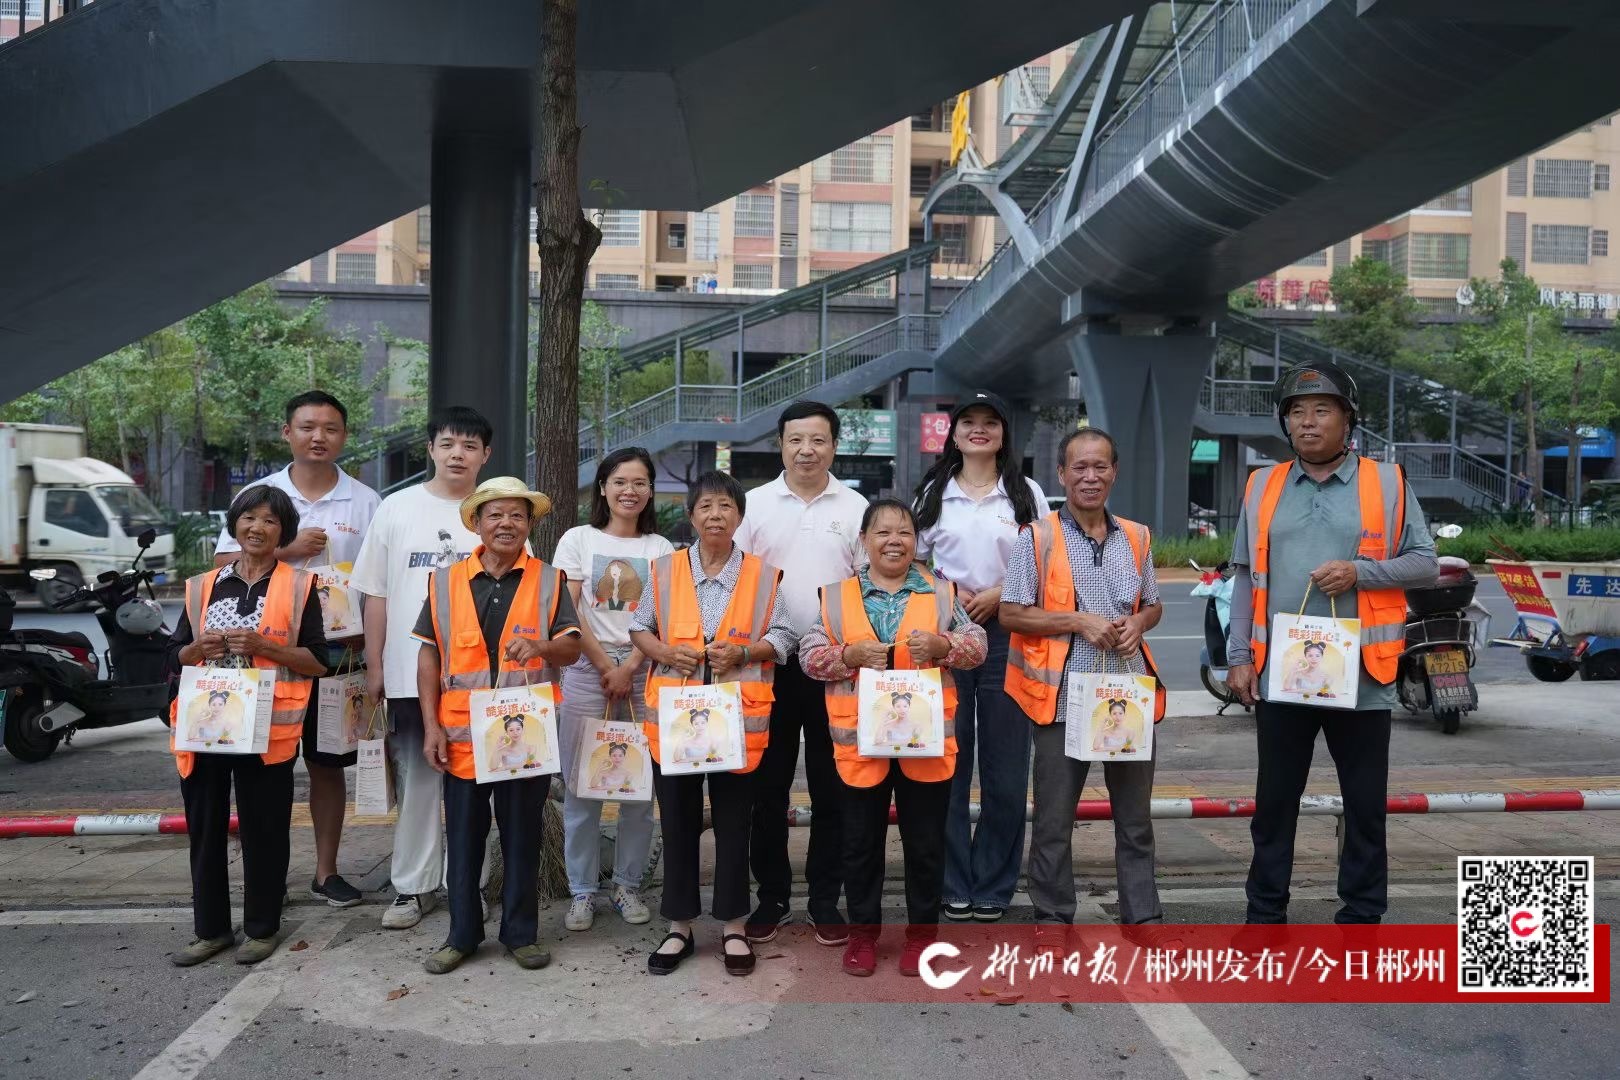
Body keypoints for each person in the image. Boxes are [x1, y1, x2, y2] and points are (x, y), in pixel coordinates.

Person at [1225, 363, 1436, 926]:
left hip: (1362, 676)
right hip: (1283, 675)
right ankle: (1264, 912)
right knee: (1274, 803)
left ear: (1348, 420)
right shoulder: (1262, 485)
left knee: (1365, 805)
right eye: (1296, 411)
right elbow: (1245, 576)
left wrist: (1359, 572)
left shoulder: (1387, 483)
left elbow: (1424, 563)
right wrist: (1239, 656)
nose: (1308, 422)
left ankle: (1362, 914)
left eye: (1322, 410)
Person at [799, 500, 986, 977]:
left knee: (925, 845)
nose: (894, 541)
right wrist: (848, 655)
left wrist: (945, 646)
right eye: (882, 532)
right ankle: (863, 936)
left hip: (925, 744)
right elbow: (809, 656)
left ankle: (922, 937)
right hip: (860, 745)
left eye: (904, 532)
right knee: (860, 844)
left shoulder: (941, 593)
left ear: (916, 542)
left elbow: (977, 646)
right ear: (864, 540)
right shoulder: (838, 596)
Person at [1000, 428, 1171, 948]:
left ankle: (1142, 916)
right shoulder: (1037, 537)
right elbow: (1011, 613)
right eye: (1079, 467)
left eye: (1100, 467)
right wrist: (1078, 621)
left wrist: (1139, 622)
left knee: (1135, 819)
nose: (1090, 477)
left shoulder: (1136, 536)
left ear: (1114, 472)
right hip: (1061, 699)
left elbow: (1153, 604)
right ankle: (1053, 918)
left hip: (1127, 694)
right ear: (1062, 474)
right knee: (1054, 819)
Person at [213, 390, 383, 910]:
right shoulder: (261, 494)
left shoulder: (366, 501)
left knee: (328, 763)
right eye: (307, 427)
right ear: (287, 432)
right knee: (264, 768)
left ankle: (326, 872)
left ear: (344, 436)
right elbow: (221, 563)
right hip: (264, 652)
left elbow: (378, 581)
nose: (318, 437)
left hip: (336, 654)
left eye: (330, 428)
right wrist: (288, 549)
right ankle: (268, 878)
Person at [629, 471, 795, 976]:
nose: (715, 515)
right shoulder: (663, 571)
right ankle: (679, 925)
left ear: (739, 517)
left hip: (738, 722)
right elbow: (639, 627)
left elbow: (785, 636)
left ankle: (733, 925)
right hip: (675, 721)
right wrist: (665, 654)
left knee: (734, 824)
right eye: (706, 506)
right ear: (691, 516)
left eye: (725, 506)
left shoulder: (764, 575)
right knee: (678, 821)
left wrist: (744, 652)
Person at [413, 477, 582, 973]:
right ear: (477, 523)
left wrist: (543, 646)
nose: (507, 524)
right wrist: (430, 726)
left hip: (523, 736)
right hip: (461, 737)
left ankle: (520, 935)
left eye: (517, 515)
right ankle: (461, 936)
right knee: (464, 841)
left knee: (522, 838)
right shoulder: (444, 582)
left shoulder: (550, 580)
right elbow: (429, 655)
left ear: (529, 525)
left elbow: (571, 649)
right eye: (496, 515)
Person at [165, 485, 329, 966]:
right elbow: (172, 656)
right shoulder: (202, 586)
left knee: (266, 829)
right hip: (205, 726)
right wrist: (195, 650)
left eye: (270, 520)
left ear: (284, 532)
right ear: (235, 524)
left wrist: (266, 646)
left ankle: (261, 927)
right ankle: (210, 930)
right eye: (249, 518)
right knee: (205, 829)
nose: (258, 527)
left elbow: (319, 661)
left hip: (267, 731)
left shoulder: (300, 587)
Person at [349, 406, 492, 930]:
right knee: (417, 785)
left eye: (470, 446)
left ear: (485, 455)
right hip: (409, 674)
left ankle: (468, 886)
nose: (458, 454)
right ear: (430, 449)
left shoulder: (493, 511)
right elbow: (377, 594)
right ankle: (412, 887)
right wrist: (376, 665)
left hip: (478, 679)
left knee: (473, 786)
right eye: (448, 444)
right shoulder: (397, 508)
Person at [735, 400, 869, 946]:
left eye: (817, 440)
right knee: (766, 786)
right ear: (780, 445)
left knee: (833, 785)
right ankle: (771, 896)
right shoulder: (753, 505)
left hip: (837, 666)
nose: (806, 450)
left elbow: (867, 583)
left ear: (833, 446)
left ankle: (824, 899)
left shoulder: (856, 507)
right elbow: (737, 580)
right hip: (767, 663)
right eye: (796, 440)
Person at [913, 388, 1044, 923]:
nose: (979, 429)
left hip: (1009, 631)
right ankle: (953, 880)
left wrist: (1001, 593)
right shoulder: (934, 492)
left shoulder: (1026, 493)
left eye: (991, 421)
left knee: (1006, 765)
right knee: (947, 758)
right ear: (955, 433)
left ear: (1004, 434)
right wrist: (948, 593)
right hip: (945, 634)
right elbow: (911, 560)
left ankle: (993, 884)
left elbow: (1046, 560)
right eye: (969, 421)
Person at [550, 448, 672, 933]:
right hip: (586, 669)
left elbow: (663, 617)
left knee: (639, 790)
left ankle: (627, 885)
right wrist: (605, 664)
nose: (629, 491)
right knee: (582, 787)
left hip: (645, 672)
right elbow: (568, 610)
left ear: (650, 491)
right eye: (620, 481)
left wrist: (632, 666)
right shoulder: (577, 539)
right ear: (603, 487)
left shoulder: (661, 547)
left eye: (640, 482)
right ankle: (582, 891)